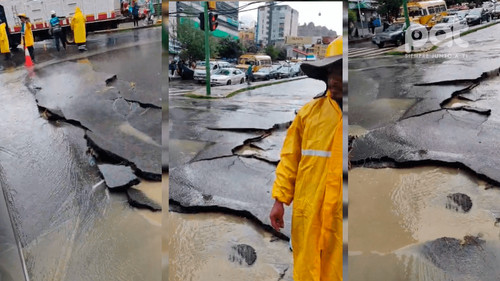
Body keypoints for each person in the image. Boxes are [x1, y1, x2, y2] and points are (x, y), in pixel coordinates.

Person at [269, 36, 343, 281]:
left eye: (342, 70)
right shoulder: (309, 114)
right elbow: (290, 158)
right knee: (307, 270)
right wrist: (279, 200)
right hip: (308, 214)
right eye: (332, 70)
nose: (334, 78)